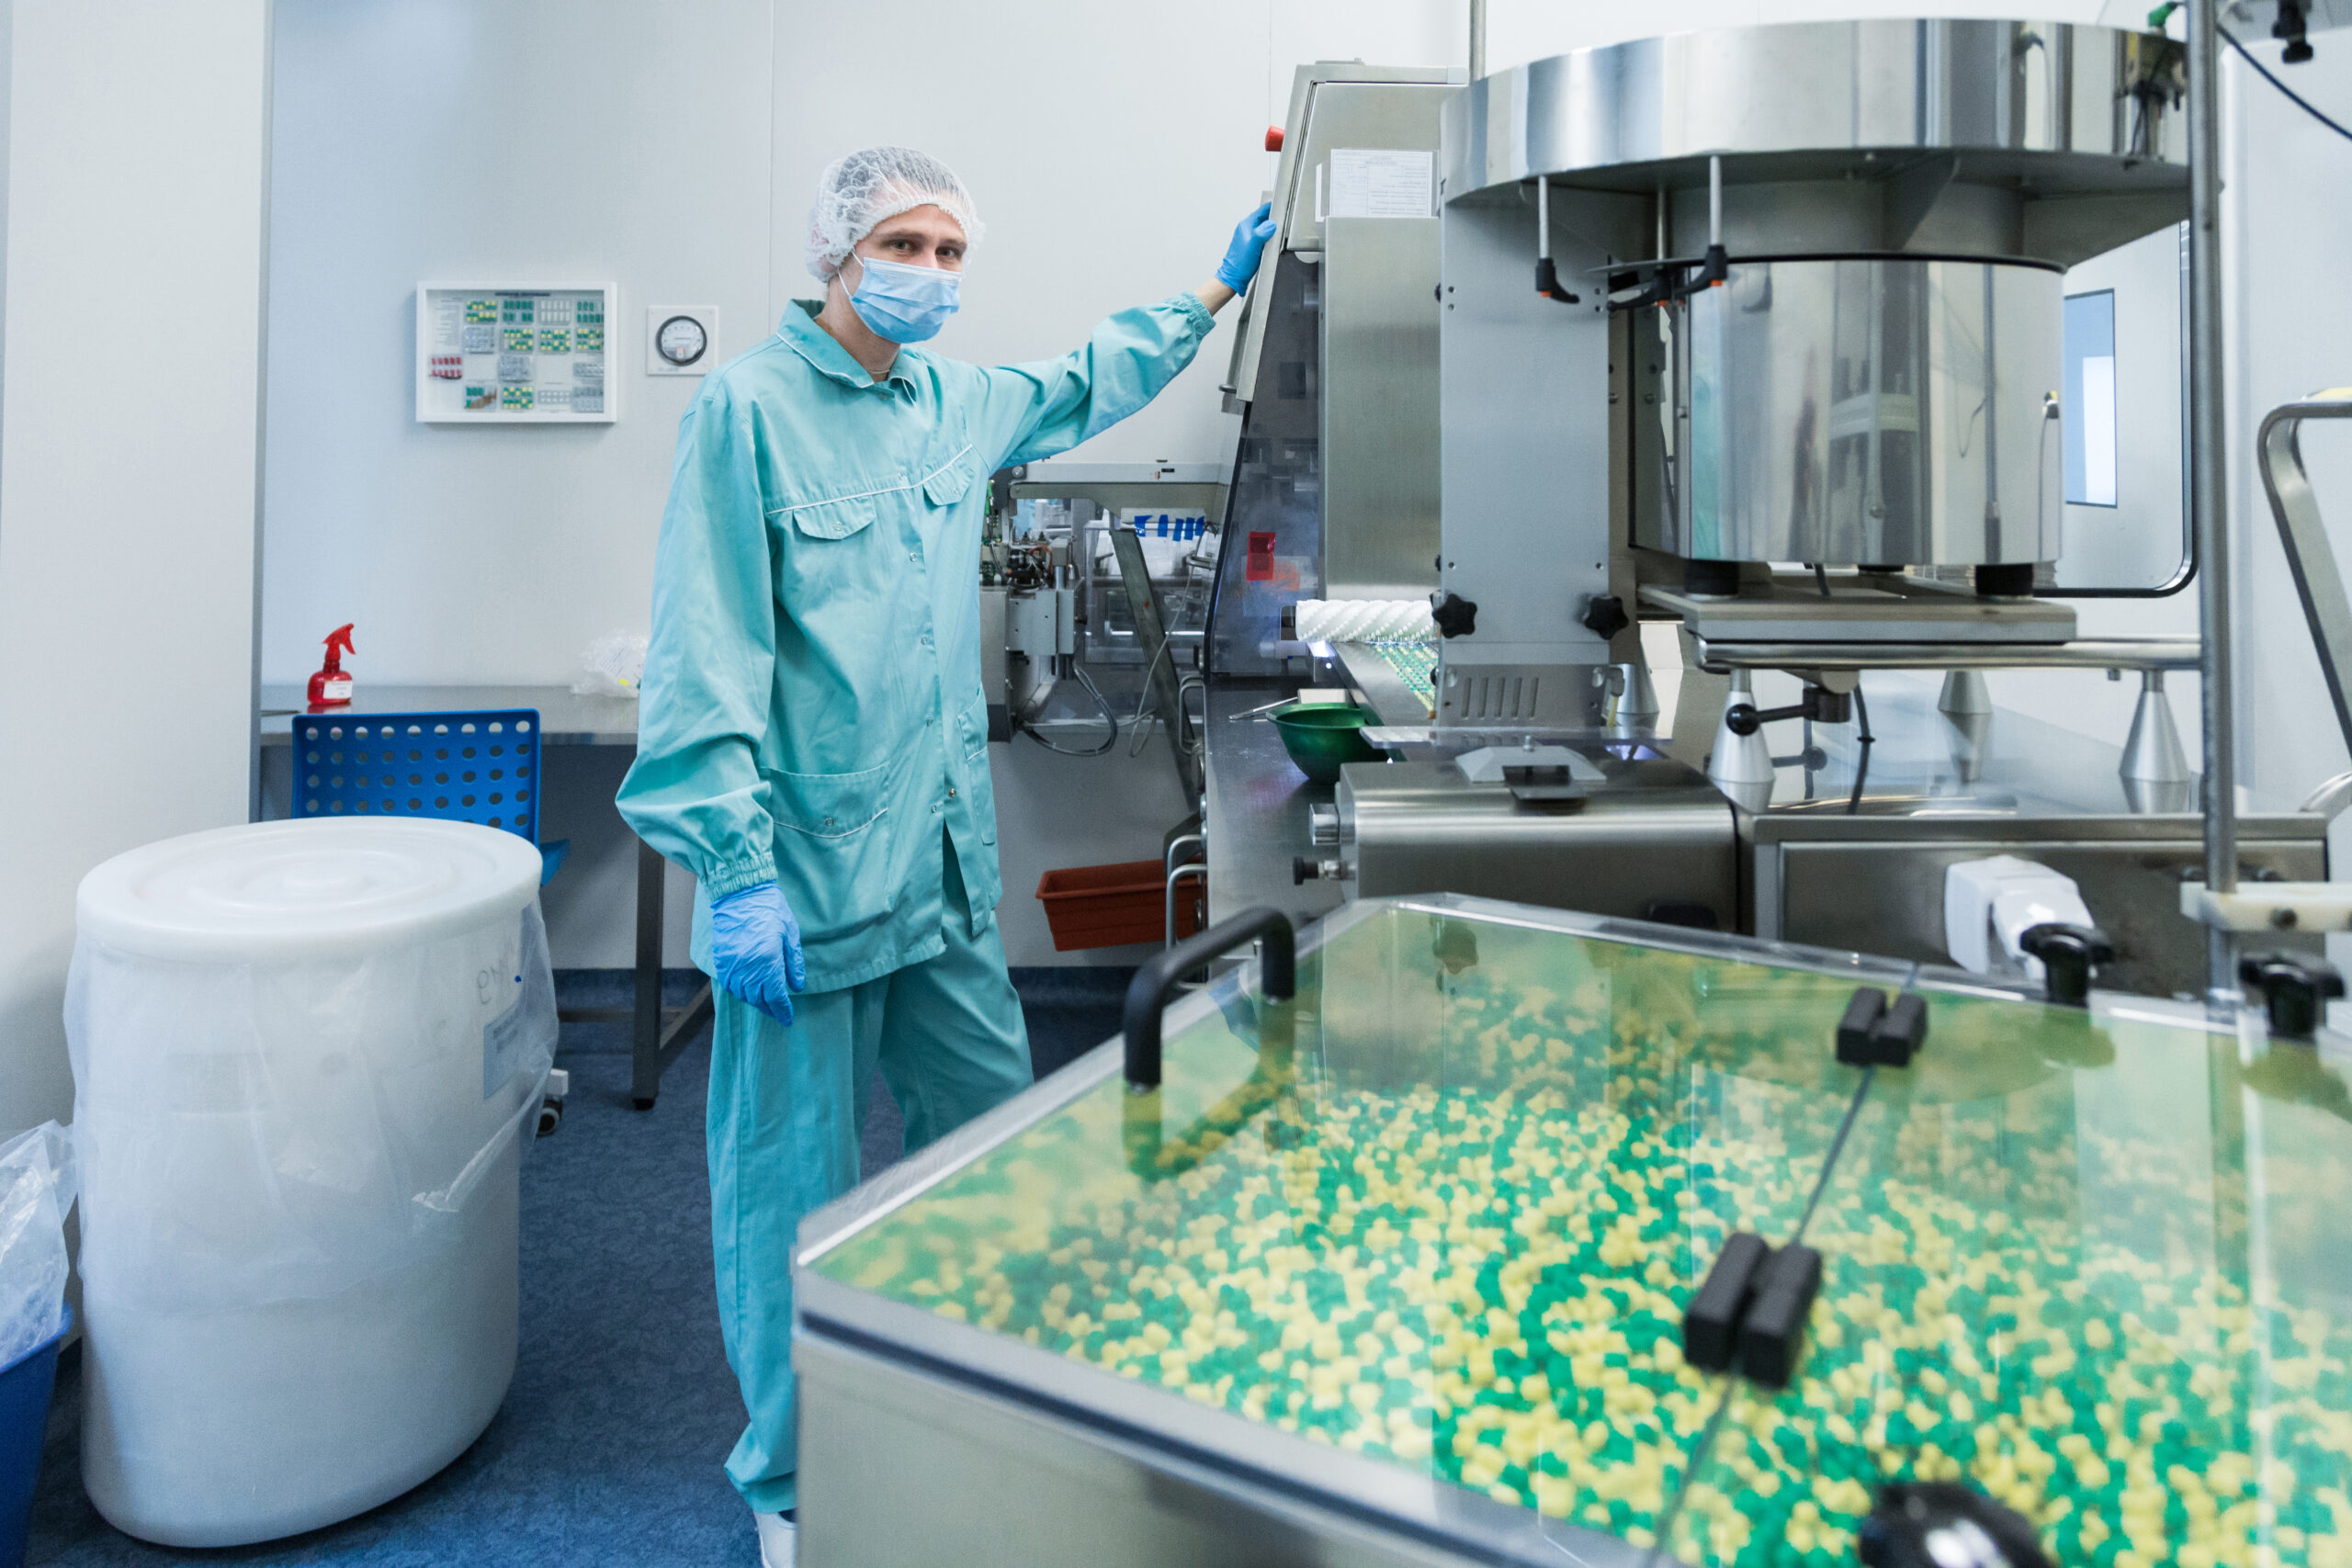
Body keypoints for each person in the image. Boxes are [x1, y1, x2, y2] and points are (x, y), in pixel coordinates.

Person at [616, 146, 1277, 1568]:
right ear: (838, 254)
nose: (929, 273)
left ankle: (978, 1403)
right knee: (789, 1197)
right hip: (806, 888)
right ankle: (792, 1482)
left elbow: (1084, 380)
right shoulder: (747, 414)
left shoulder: (950, 402)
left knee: (994, 1152)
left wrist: (1214, 292)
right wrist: (733, 869)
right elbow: (703, 661)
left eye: (950, 251)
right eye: (904, 245)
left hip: (943, 879)